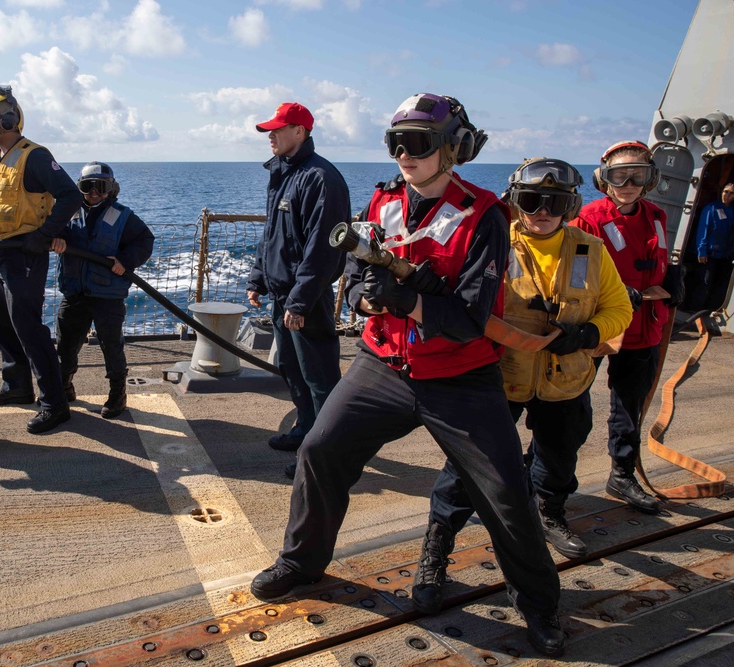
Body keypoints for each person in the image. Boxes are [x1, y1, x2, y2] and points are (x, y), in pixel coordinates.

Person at [251, 94, 565, 657]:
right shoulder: (384, 198)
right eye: (395, 142)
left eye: (418, 143)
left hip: (461, 377)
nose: (404, 154)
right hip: (384, 364)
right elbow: (353, 264)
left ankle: (539, 607)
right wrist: (369, 299)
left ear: (453, 148)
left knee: (506, 496)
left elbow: (471, 320)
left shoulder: (485, 214)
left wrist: (407, 302)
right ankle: (302, 562)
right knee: (320, 451)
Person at [430, 158, 631, 563]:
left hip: (567, 379)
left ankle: (549, 513)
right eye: (532, 199)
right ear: (516, 201)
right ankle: (439, 539)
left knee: (559, 456)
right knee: (469, 463)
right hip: (501, 378)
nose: (542, 211)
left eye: (554, 203)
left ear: (570, 207)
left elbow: (620, 308)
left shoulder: (591, 250)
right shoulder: (493, 240)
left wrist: (589, 333)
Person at [0, 85, 83, 434]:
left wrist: (43, 235)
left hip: (24, 254)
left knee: (28, 328)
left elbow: (70, 196)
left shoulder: (34, 156)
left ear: (7, 121)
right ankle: (17, 385)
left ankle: (55, 403)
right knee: (1, 321)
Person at [572, 140, 685, 513]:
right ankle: (543, 475)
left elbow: (657, 259)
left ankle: (621, 475)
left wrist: (674, 280)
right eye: (620, 174)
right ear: (604, 178)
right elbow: (576, 274)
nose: (629, 182)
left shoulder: (656, 215)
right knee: (569, 405)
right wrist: (619, 293)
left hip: (645, 328)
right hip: (602, 326)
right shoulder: (589, 218)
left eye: (638, 174)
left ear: (650, 178)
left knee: (629, 407)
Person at [246, 102, 351, 453]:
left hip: (306, 298)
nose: (271, 136)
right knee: (290, 367)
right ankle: (307, 430)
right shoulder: (284, 174)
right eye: (269, 130)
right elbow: (274, 234)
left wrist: (300, 300)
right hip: (283, 295)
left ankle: (327, 450)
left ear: (300, 132)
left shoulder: (320, 178)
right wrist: (258, 277)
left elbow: (324, 248)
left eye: (278, 129)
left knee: (319, 376)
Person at [51, 162, 155, 419]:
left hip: (107, 295)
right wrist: (56, 237)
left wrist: (126, 261)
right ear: (79, 188)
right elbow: (49, 231)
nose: (95, 193)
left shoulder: (123, 216)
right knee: (65, 346)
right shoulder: (68, 213)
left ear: (112, 189)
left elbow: (145, 240)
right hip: (75, 293)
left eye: (101, 187)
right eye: (88, 187)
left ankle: (117, 395)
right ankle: (65, 388)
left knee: (111, 345)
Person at [687, 183, 734, 313]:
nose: (727, 195)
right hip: (708, 254)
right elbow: (704, 229)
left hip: (725, 255)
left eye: (731, 193)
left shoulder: (732, 211)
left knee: (719, 286)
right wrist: (701, 250)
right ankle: (694, 313)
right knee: (704, 284)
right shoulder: (711, 208)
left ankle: (708, 312)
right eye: (726, 192)